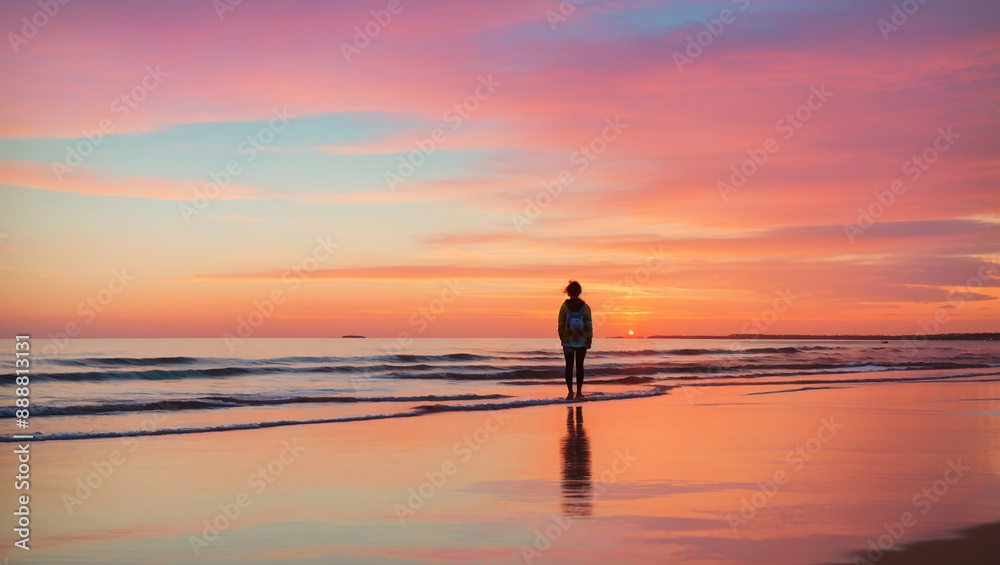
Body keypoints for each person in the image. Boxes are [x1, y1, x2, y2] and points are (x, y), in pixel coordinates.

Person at [557, 280, 593, 400]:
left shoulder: (564, 307)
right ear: (579, 292)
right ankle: (579, 393)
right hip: (582, 340)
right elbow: (589, 325)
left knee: (569, 366)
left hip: (568, 341)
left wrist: (562, 338)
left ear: (568, 292)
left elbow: (561, 324)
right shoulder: (585, 307)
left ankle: (570, 393)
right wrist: (589, 339)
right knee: (579, 366)